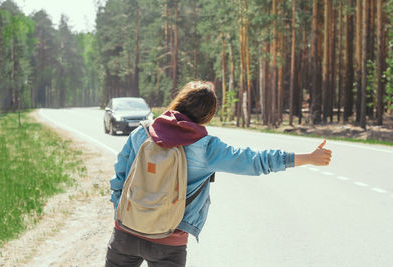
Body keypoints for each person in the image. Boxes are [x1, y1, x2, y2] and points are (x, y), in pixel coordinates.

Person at [105, 81, 332, 267]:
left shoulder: (142, 132)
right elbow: (256, 161)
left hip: (125, 232)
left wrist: (119, 212)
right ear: (207, 115)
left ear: (179, 102)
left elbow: (119, 177)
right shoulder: (207, 148)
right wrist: (307, 158)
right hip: (169, 239)